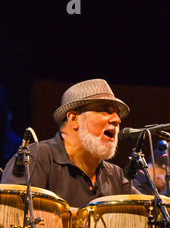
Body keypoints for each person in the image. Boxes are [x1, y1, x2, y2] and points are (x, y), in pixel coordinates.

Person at [1, 78, 141, 208]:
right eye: (105, 111)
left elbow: (149, 211)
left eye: (117, 113)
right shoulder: (35, 158)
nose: (117, 120)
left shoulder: (115, 175)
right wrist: (81, 217)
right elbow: (12, 209)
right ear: (74, 119)